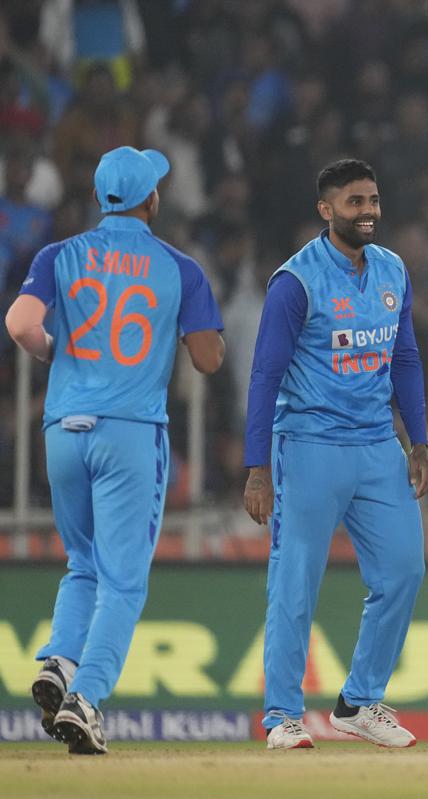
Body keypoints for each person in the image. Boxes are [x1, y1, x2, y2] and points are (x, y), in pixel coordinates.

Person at [5, 146, 225, 755]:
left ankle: (59, 663)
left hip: (63, 429)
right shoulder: (179, 267)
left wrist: (58, 353)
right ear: (151, 199)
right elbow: (208, 359)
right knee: (124, 583)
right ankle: (86, 698)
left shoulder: (58, 254)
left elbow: (20, 325)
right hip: (130, 430)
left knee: (84, 562)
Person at [242, 158, 428, 750]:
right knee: (295, 583)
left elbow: (405, 358)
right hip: (309, 445)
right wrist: (257, 468)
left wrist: (418, 441)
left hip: (377, 445)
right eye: (355, 202)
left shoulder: (393, 269)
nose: (368, 211)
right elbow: (265, 375)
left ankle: (358, 702)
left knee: (404, 570)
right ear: (326, 210)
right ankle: (282, 716)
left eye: (373, 200)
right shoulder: (295, 282)